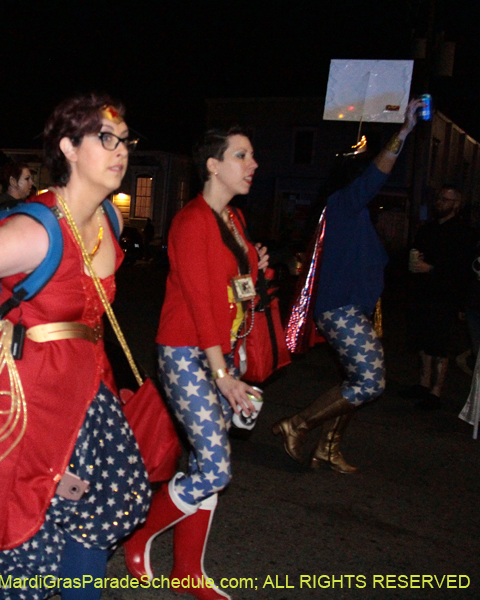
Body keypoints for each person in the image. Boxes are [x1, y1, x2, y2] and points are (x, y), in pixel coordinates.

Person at [0, 93, 150, 600]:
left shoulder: (109, 219)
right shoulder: (34, 232)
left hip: (87, 387)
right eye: (106, 138)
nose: (121, 151)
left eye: (125, 140)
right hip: (26, 395)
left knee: (107, 501)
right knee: (23, 532)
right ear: (68, 148)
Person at [123, 128, 265, 600]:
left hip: (221, 351)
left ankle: (187, 571)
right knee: (216, 470)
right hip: (187, 352)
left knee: (206, 463)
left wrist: (255, 265)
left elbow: (235, 288)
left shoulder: (234, 219)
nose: (252, 164)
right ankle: (140, 535)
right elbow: (202, 304)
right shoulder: (191, 222)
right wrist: (222, 375)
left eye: (252, 156)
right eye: (241, 155)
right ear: (212, 165)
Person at [273, 98, 424, 473]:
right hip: (342, 308)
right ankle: (298, 424)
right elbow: (377, 174)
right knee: (370, 382)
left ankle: (329, 448)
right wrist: (404, 131)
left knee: (354, 381)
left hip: (352, 308)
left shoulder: (350, 215)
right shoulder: (344, 203)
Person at [401, 186, 472, 410]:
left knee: (440, 345)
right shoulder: (428, 229)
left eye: (445, 199)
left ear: (456, 204)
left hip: (445, 296)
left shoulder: (463, 232)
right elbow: (415, 252)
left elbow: (461, 269)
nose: (439, 202)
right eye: (439, 198)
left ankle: (436, 391)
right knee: (423, 341)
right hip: (423, 293)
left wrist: (431, 269)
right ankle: (423, 384)